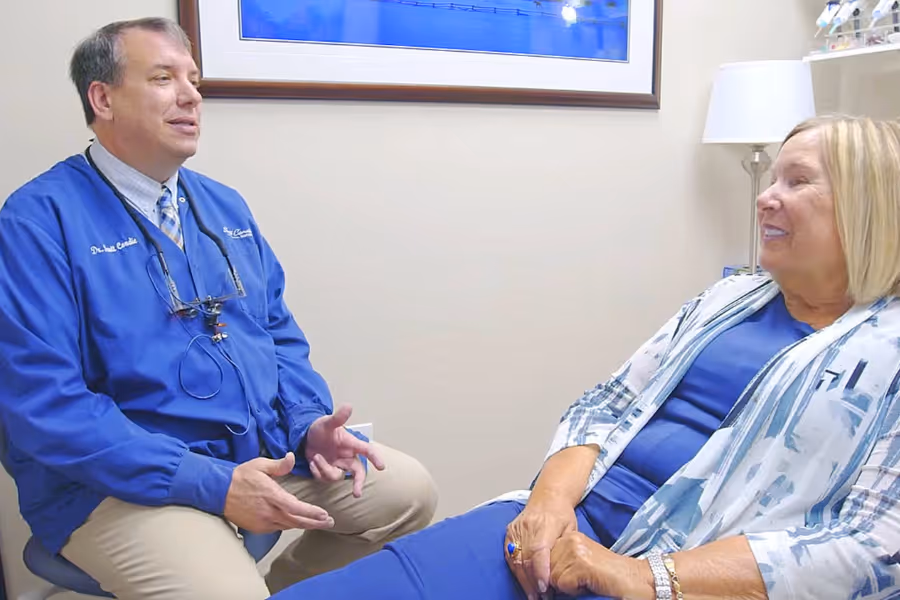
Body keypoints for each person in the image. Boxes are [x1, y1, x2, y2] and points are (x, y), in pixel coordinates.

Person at [272, 115, 900, 600]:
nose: (766, 198)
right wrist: (546, 506)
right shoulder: (732, 295)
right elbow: (608, 406)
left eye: (797, 181)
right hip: (568, 526)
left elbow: (874, 546)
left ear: (864, 206)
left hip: (688, 570)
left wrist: (644, 577)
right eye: (771, 179)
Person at [0, 17, 438, 599]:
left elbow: (278, 335)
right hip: (114, 486)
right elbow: (45, 406)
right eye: (163, 77)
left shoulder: (222, 207)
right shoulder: (36, 224)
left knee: (407, 494)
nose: (191, 97)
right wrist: (210, 483)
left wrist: (308, 426)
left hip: (248, 453)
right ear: (101, 98)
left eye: (194, 80)